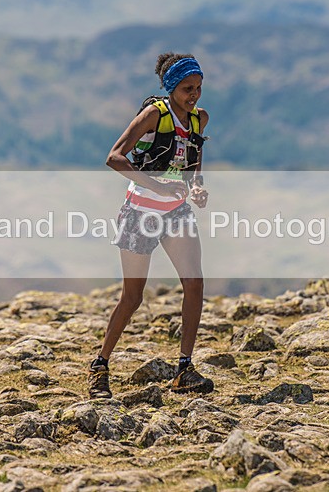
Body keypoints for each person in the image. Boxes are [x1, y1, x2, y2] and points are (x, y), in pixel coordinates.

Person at [87, 52, 213, 399]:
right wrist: (159, 186)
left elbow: (193, 163)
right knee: (133, 297)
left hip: (177, 213)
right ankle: (100, 366)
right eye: (187, 88)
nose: (194, 95)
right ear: (171, 87)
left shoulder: (199, 120)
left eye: (199, 87)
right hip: (139, 213)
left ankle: (184, 369)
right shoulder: (153, 115)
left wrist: (197, 187)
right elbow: (114, 157)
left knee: (195, 284)